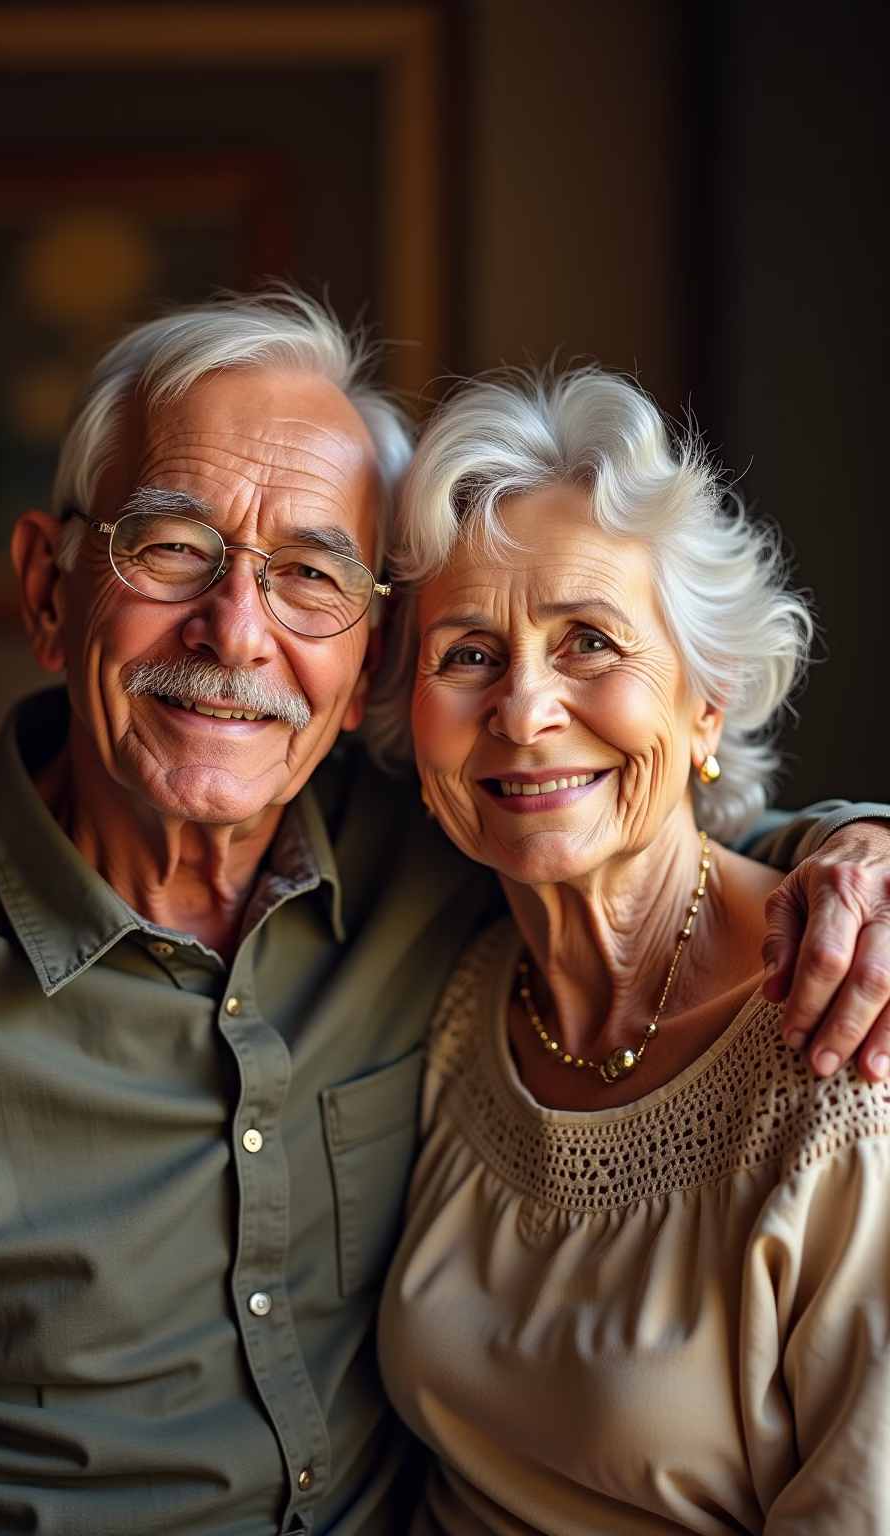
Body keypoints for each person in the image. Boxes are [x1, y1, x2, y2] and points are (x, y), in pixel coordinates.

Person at [0, 295, 887, 1535]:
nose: (237, 632)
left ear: (361, 667)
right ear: (47, 589)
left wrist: (855, 850)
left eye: (308, 574)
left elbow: (636, 843)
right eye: (174, 546)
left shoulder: (457, 865)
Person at [376, 366, 890, 1534]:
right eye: (465, 656)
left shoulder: (852, 1052)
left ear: (705, 702)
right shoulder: (457, 1007)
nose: (522, 712)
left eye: (590, 643)